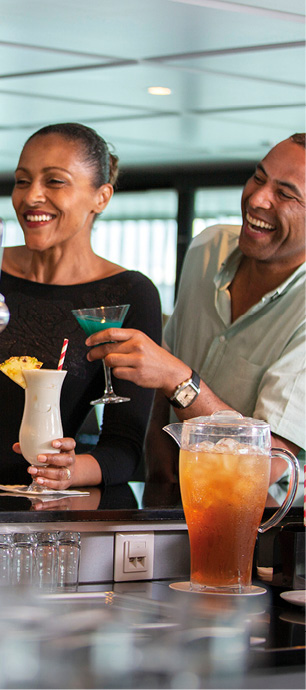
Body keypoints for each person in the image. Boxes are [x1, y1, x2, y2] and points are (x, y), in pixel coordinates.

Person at [0, 123, 162, 489]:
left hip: (30, 507)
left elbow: (124, 448)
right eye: (21, 181)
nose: (31, 197)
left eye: (55, 182)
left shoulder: (129, 293)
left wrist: (67, 471)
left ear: (102, 197)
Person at [85, 134, 305, 485]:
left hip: (267, 523)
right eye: (259, 177)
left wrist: (180, 382)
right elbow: (161, 373)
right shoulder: (208, 247)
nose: (258, 198)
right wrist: (158, 472)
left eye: (285, 193)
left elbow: (268, 465)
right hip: (178, 504)